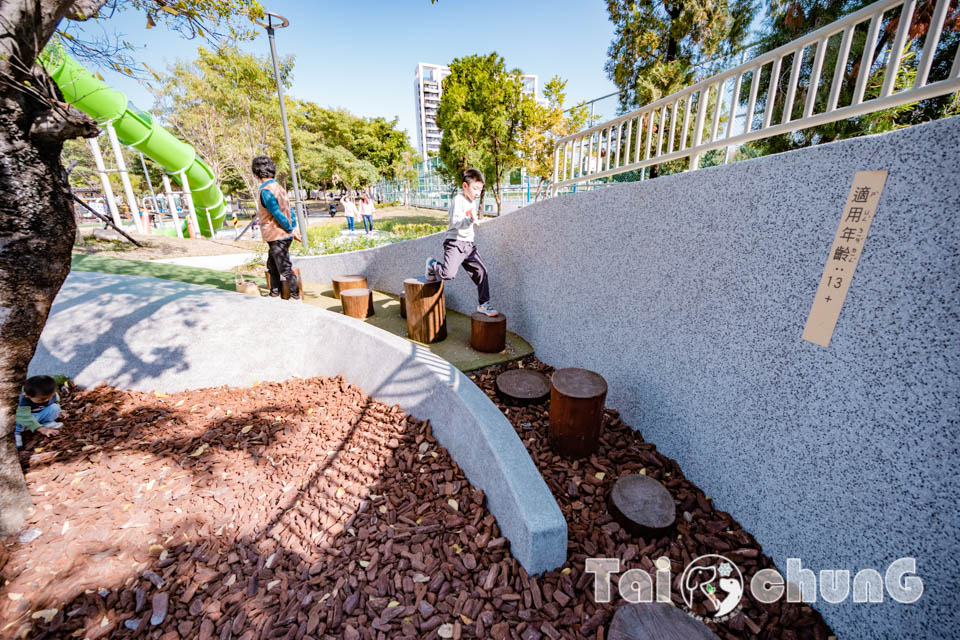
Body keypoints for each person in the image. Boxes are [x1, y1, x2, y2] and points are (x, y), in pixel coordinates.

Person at [425, 168, 498, 317]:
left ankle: (483, 304)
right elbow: (457, 223)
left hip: (468, 246)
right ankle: (432, 264)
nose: (477, 193)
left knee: (482, 272)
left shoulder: (473, 202)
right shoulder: (458, 200)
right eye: (475, 188)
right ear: (465, 186)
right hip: (454, 242)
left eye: (480, 190)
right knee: (447, 274)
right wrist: (470, 219)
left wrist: (475, 220)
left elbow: (471, 221)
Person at [252, 156, 302, 300]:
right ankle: (274, 293)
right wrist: (293, 227)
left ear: (256, 173)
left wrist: (290, 228)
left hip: (277, 235)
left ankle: (295, 297)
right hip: (282, 235)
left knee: (284, 268)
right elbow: (289, 210)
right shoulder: (279, 187)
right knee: (272, 265)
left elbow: (277, 213)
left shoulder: (266, 191)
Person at [14, 375, 63, 449]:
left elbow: (56, 402)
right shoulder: (24, 400)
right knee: (19, 419)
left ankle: (46, 422)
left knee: (54, 407)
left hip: (40, 414)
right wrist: (41, 429)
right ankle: (17, 433)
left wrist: (60, 411)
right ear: (26, 395)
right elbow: (24, 416)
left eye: (49, 397)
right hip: (28, 418)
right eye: (41, 400)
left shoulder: (50, 394)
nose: (47, 400)